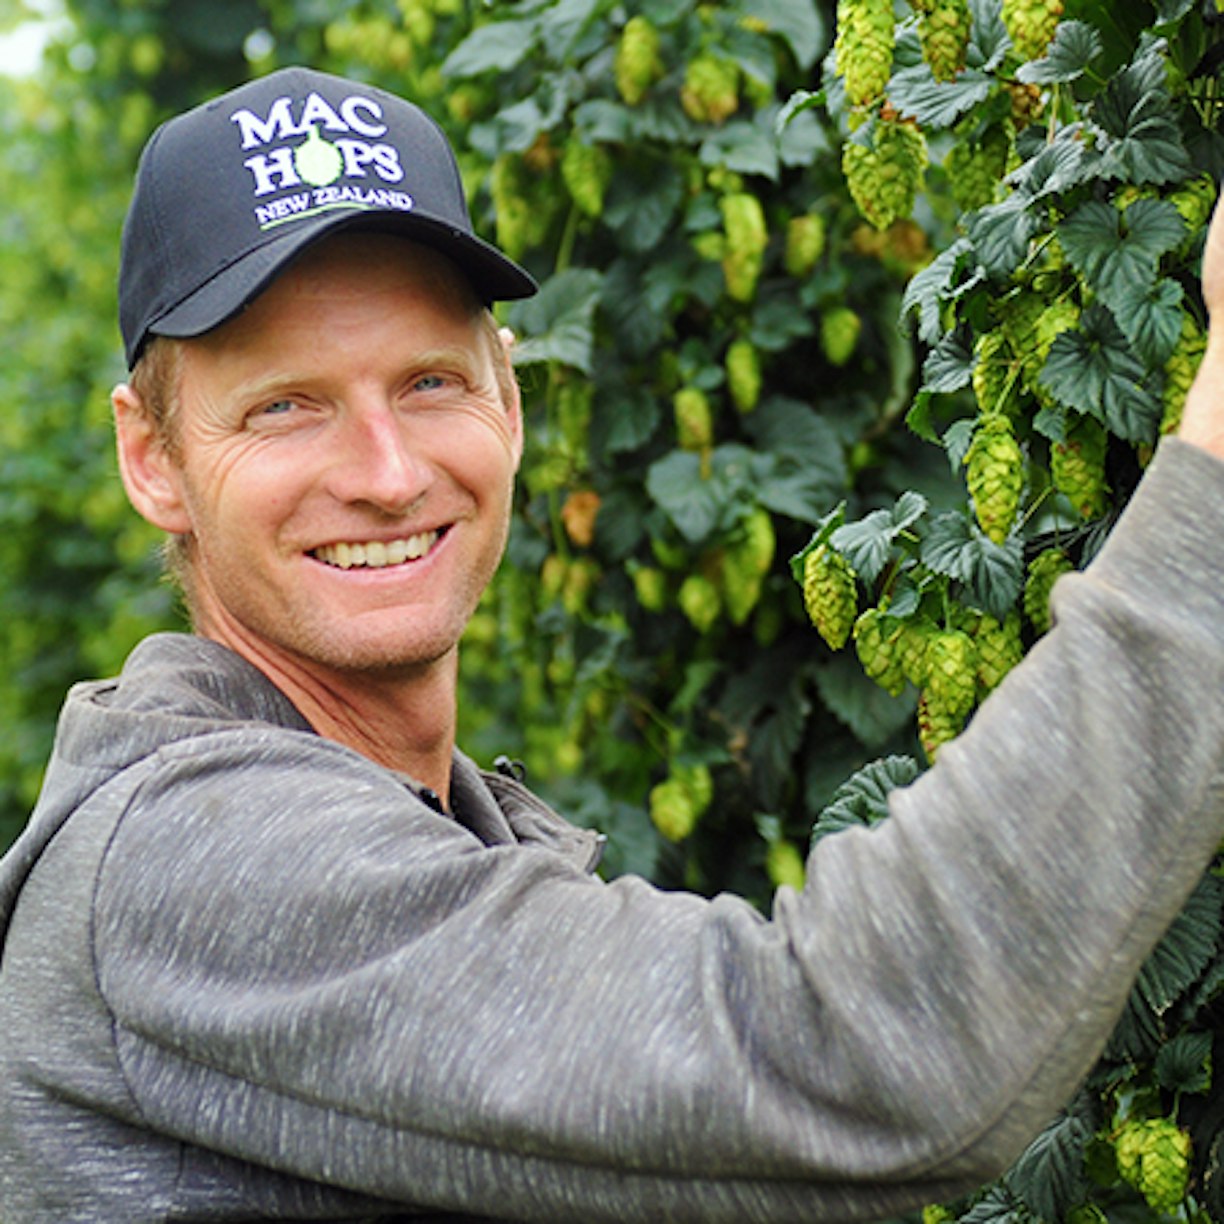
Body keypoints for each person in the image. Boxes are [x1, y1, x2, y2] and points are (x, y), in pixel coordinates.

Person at [2, 63, 1224, 1223]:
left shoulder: (432, 829)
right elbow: (860, 1050)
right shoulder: (193, 860)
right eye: (285, 406)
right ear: (152, 458)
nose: (386, 472)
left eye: (430, 382)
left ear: (511, 400)